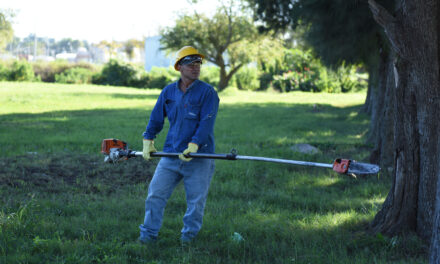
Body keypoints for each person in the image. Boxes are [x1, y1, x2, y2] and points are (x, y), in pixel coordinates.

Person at [139, 46, 220, 244]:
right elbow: (156, 118)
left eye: (198, 63)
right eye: (190, 63)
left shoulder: (208, 93)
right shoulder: (168, 92)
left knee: (195, 202)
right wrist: (148, 140)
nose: (195, 67)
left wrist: (195, 144)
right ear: (179, 67)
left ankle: (188, 241)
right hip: (171, 155)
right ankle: (147, 237)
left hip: (200, 157)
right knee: (155, 195)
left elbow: (207, 122)